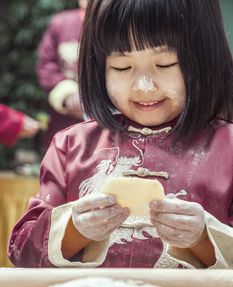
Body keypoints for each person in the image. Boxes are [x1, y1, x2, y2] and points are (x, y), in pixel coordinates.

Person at [9, 0, 233, 269]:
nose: (143, 86)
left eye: (165, 64)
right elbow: (22, 251)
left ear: (204, 60)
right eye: (122, 68)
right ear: (98, 68)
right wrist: (73, 230)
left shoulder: (228, 148)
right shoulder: (71, 146)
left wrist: (203, 239)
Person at [36, 0, 89, 149]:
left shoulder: (119, 23)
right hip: (65, 117)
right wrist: (67, 94)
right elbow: (46, 65)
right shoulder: (60, 23)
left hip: (108, 117)